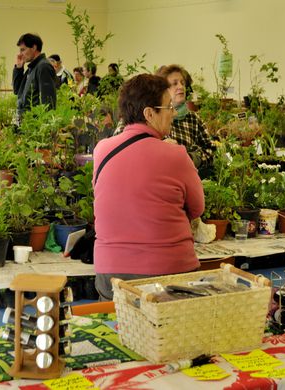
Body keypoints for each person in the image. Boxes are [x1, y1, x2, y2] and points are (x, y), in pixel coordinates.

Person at [92, 74, 205, 301]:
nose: (173, 113)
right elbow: (197, 208)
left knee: (120, 332)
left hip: (111, 275)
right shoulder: (176, 155)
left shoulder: (102, 149)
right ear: (149, 113)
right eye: (168, 107)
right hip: (168, 274)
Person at [156, 64, 215, 178]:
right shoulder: (154, 116)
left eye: (182, 83)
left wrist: (192, 158)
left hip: (187, 179)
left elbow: (210, 149)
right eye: (174, 83)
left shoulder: (193, 118)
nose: (181, 87)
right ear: (162, 89)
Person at [12, 33, 57, 123]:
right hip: (26, 123)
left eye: (23, 50)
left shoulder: (43, 67)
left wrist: (44, 128)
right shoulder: (32, 68)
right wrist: (19, 68)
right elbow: (17, 90)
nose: (20, 54)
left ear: (34, 47)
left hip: (34, 125)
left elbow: (48, 102)